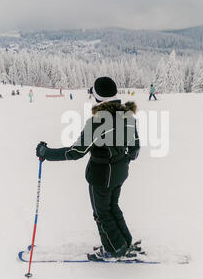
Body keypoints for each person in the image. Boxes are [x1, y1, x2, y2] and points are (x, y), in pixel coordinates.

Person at [36, 77, 141, 262]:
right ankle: (124, 241)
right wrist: (120, 161)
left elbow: (76, 152)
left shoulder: (98, 122)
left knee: (102, 213)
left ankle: (114, 248)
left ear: (98, 97)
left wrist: (46, 153)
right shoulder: (127, 116)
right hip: (119, 173)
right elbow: (135, 149)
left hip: (101, 176)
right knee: (112, 207)